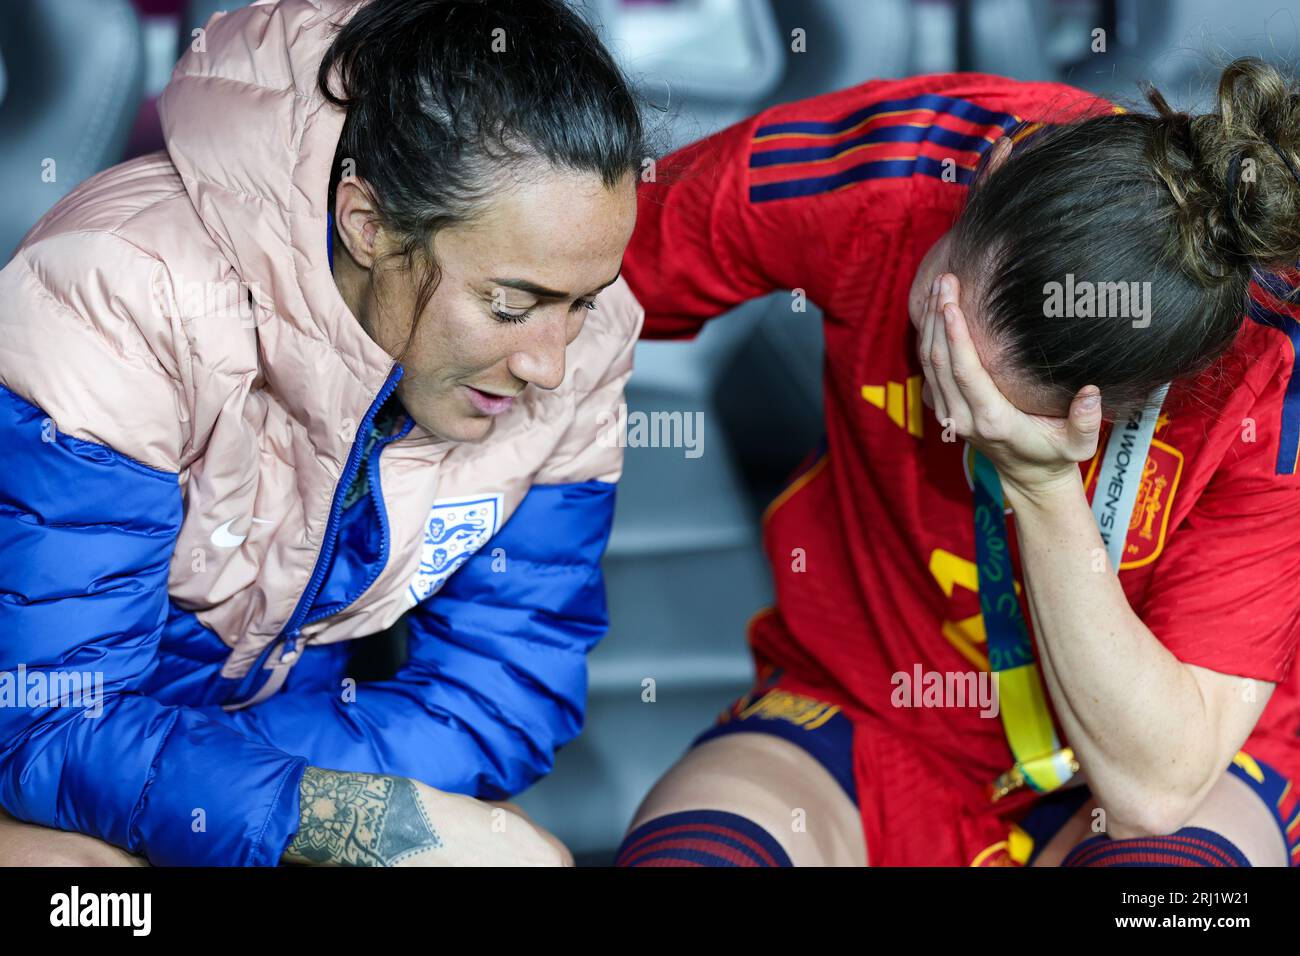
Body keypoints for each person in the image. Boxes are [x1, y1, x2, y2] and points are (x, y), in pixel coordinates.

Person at [0, 0, 649, 866]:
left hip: (227, 750)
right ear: (368, 224)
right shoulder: (122, 295)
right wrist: (337, 820)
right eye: (510, 305)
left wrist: (256, 806)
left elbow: (507, 691)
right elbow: (51, 715)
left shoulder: (584, 340)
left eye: (582, 301)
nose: (551, 365)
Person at [616, 59, 1300, 867]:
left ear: (1138, 396)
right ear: (991, 175)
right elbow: (574, 266)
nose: (952, 397)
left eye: (1000, 406)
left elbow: (1158, 787)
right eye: (940, 316)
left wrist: (1042, 485)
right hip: (864, 709)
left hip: (1166, 756)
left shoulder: (1270, 371)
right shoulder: (904, 158)